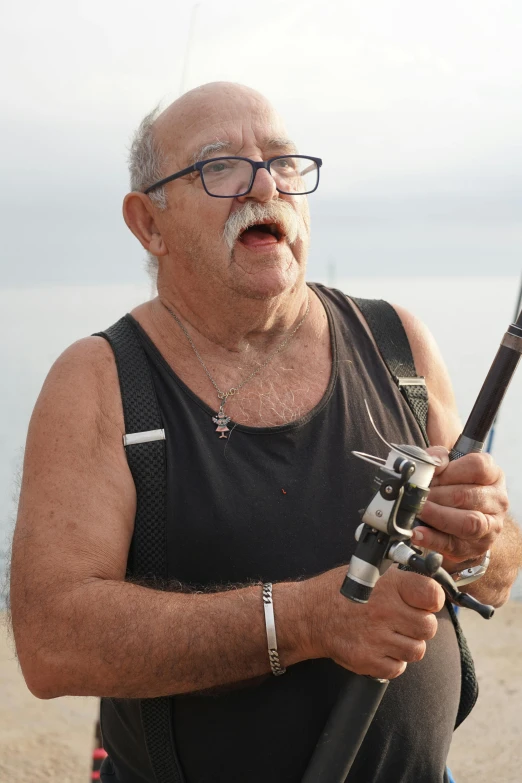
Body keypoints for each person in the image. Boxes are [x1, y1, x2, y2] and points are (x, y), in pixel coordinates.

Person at [10, 82, 522, 783]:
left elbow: (493, 577)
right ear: (148, 224)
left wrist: (479, 542)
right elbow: (51, 642)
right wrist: (306, 620)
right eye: (218, 167)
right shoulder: (98, 381)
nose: (264, 185)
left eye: (282, 162)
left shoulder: (398, 343)